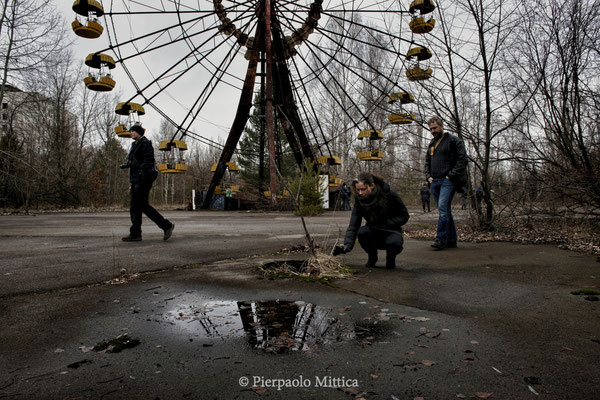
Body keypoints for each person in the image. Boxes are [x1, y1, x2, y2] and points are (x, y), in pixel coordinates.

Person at [333, 172, 409, 269]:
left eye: (363, 189)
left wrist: (389, 223)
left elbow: (404, 216)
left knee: (394, 243)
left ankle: (391, 258)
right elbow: (354, 225)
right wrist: (347, 246)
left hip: (391, 230)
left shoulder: (389, 194)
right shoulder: (359, 200)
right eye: (358, 190)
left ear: (372, 185)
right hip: (373, 230)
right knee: (362, 232)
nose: (360, 193)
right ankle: (372, 257)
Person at [120, 125, 175, 242]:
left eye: (133, 131)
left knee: (142, 205)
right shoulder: (134, 145)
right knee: (135, 207)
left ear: (139, 132)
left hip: (142, 180)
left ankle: (166, 225)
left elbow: (148, 161)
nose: (130, 133)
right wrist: (126, 165)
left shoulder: (145, 144)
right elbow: (133, 160)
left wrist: (142, 175)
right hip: (135, 179)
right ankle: (135, 233)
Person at [424, 116, 468, 250]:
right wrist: (428, 177)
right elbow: (427, 162)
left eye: (435, 128)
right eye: (431, 129)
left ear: (442, 126)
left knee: (442, 208)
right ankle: (451, 240)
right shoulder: (432, 144)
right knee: (445, 211)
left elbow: (463, 160)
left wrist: (450, 176)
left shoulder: (453, 141)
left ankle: (440, 239)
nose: (433, 131)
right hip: (434, 182)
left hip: (447, 181)